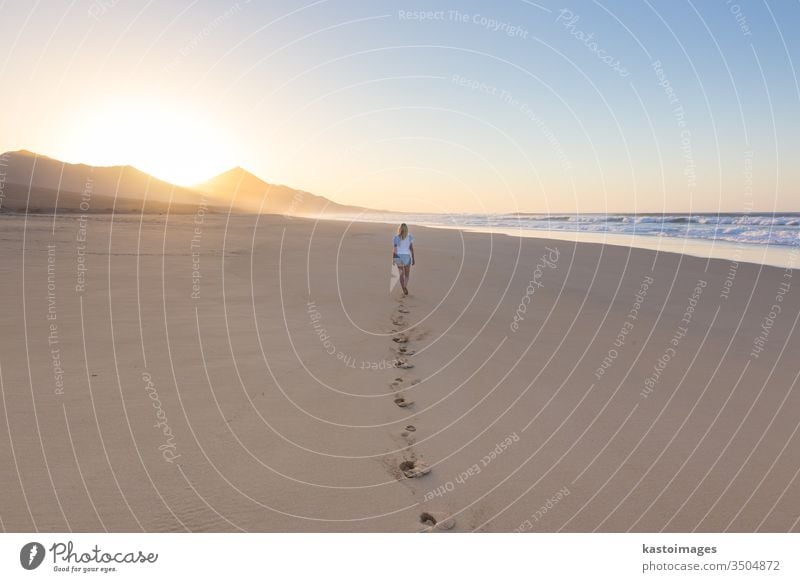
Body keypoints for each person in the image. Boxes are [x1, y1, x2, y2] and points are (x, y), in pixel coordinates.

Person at [392, 223, 415, 295]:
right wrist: (413, 258)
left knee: (401, 275)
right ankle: (405, 286)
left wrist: (393, 259)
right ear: (407, 229)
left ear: (400, 229)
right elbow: (411, 248)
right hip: (406, 256)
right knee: (407, 275)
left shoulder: (396, 237)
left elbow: (395, 250)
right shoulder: (410, 237)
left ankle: (403, 288)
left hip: (398, 257)